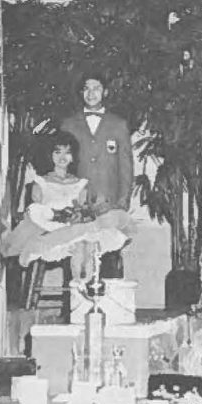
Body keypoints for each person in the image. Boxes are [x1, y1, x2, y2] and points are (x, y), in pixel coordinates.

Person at [1, 131, 134, 280]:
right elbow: (37, 214)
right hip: (50, 232)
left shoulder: (80, 184)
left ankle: (83, 291)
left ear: (73, 157)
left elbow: (84, 210)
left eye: (68, 153)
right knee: (78, 243)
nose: (62, 157)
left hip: (77, 229)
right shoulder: (40, 183)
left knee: (86, 244)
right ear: (49, 155)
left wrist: (81, 215)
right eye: (57, 152)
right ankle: (83, 290)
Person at [59, 72, 134, 277]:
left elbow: (125, 166)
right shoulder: (69, 124)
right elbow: (62, 164)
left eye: (97, 88)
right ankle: (73, 306)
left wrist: (123, 201)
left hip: (108, 203)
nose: (91, 93)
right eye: (87, 89)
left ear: (105, 92)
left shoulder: (118, 124)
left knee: (108, 256)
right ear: (81, 92)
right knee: (76, 255)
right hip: (77, 203)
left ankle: (109, 306)